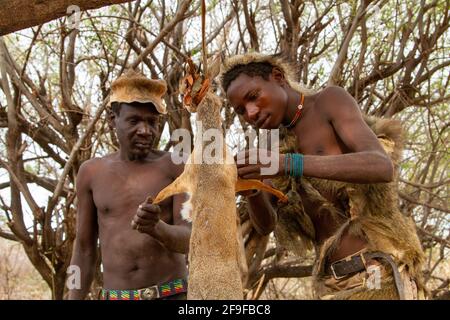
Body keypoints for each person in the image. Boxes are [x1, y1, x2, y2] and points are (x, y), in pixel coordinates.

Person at [221, 53, 426, 300]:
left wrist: (288, 163)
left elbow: (380, 165)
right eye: (241, 110)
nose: (251, 113)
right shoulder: (271, 147)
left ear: (278, 77)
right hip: (331, 285)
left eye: (253, 97)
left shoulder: (328, 102)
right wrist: (251, 190)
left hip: (377, 274)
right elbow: (266, 224)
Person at [68, 70, 190, 300]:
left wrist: (157, 228)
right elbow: (84, 249)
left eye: (152, 122)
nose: (145, 131)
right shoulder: (91, 173)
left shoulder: (177, 166)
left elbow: (190, 238)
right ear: (113, 120)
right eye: (134, 121)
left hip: (171, 295)